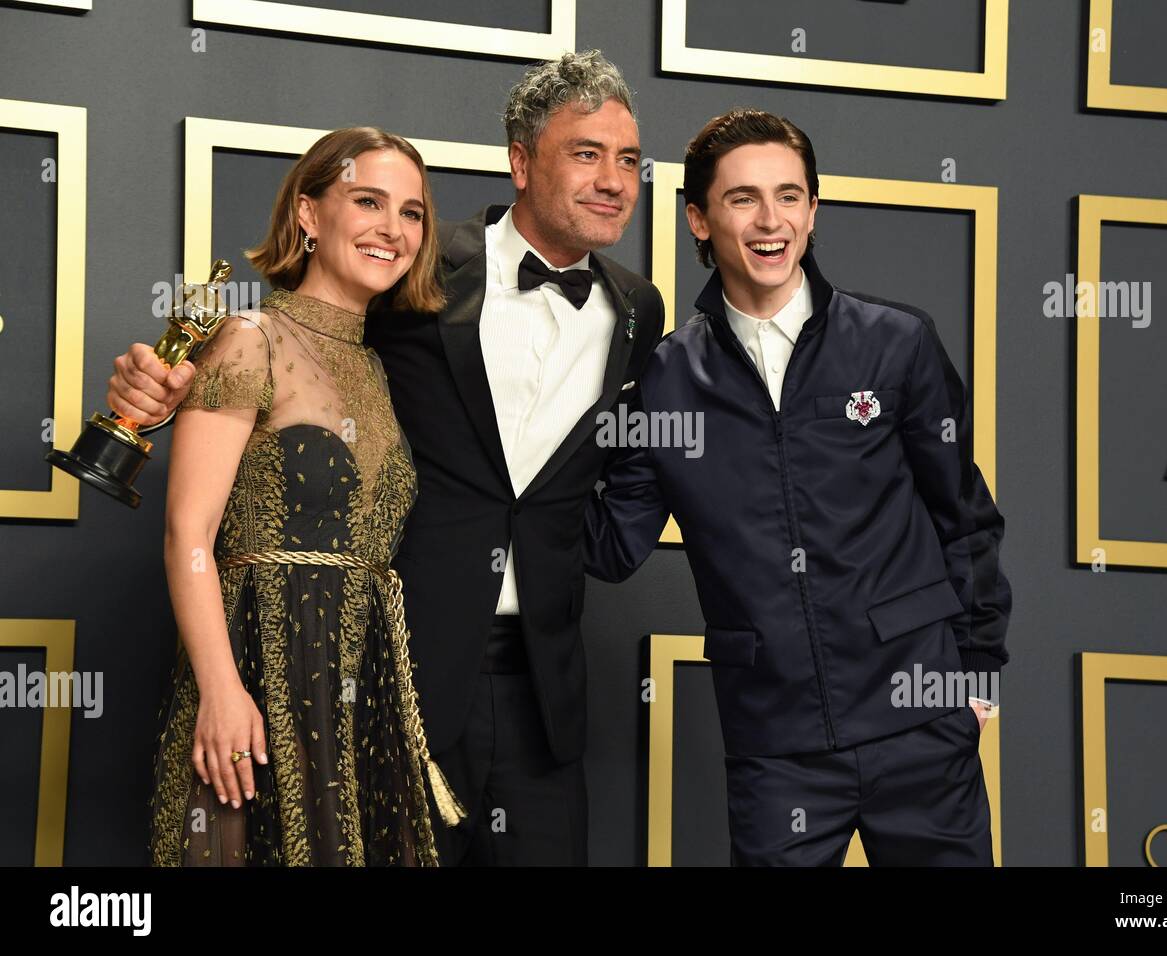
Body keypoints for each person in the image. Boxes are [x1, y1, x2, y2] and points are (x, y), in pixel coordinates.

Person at [107, 52, 665, 866]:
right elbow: (247, 377)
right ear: (521, 161)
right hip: (394, 677)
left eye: (627, 160)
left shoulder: (636, 308)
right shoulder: (422, 281)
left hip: (541, 684)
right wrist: (149, 395)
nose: (613, 179)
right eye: (586, 153)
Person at [584, 109, 1013, 865]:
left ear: (813, 212)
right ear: (698, 218)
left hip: (921, 722)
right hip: (775, 741)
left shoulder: (897, 345)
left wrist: (977, 676)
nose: (770, 220)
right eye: (743, 198)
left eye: (789, 196)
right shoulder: (662, 379)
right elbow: (614, 544)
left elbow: (965, 519)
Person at [145, 126, 465, 866]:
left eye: (412, 212)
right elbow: (187, 533)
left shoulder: (385, 371)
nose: (393, 228)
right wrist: (221, 690)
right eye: (368, 201)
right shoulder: (247, 338)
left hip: (369, 682)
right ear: (310, 215)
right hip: (258, 669)